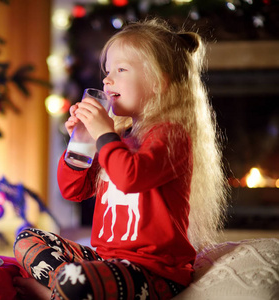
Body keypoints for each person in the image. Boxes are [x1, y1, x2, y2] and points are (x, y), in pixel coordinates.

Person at [13, 18, 228, 300]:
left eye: (121, 69)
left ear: (158, 82)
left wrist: (103, 134)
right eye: (107, 70)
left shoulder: (171, 136)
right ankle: (64, 289)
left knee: (78, 280)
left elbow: (130, 176)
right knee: (27, 240)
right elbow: (73, 190)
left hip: (152, 272)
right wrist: (82, 143)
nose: (106, 79)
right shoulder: (119, 137)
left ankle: (55, 292)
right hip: (105, 261)